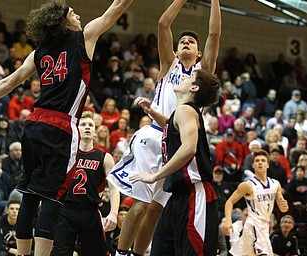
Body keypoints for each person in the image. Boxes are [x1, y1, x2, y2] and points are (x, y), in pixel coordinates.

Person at [0, 1, 134, 255]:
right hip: (60, 126)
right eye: (72, 13)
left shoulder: (39, 51)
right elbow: (117, 7)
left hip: (34, 123)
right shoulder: (83, 38)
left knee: (29, 194)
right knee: (52, 198)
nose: (78, 15)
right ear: (61, 21)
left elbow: (8, 82)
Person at [107, 1, 221, 255]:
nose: (186, 43)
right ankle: (121, 252)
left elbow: (214, 34)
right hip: (155, 135)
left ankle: (137, 253)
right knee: (140, 205)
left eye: (192, 42)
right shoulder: (169, 64)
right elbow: (163, 23)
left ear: (200, 53)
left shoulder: (202, 75)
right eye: (182, 41)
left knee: (157, 209)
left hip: (176, 143)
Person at [129, 69, 221, 255]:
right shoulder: (182, 113)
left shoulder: (186, 110)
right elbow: (172, 126)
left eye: (190, 77)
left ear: (194, 88)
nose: (185, 77)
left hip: (195, 195)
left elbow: (189, 148)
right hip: (177, 198)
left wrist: (155, 176)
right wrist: (152, 112)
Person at [51, 111, 119, 256]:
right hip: (65, 209)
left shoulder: (104, 157)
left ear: (95, 131)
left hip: (90, 210)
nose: (87, 127)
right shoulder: (66, 154)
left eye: (90, 125)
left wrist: (113, 213)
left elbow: (114, 188)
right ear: (76, 129)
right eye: (83, 124)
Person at [222, 149, 289, 256]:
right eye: (257, 161)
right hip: (253, 226)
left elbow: (283, 209)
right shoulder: (247, 185)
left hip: (265, 226)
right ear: (253, 165)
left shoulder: (275, 184)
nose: (260, 162)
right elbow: (229, 202)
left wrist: (284, 206)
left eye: (263, 160)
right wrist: (228, 221)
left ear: (267, 164)